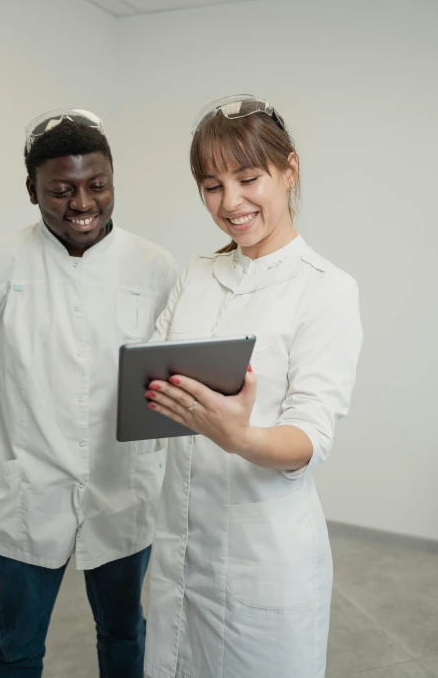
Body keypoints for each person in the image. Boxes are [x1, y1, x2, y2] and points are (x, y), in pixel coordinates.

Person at [0, 109, 178, 678]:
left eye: (97, 185)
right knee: (17, 642)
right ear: (32, 190)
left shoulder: (155, 267)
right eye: (61, 189)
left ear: (113, 181)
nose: (82, 203)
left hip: (122, 485)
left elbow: (168, 374)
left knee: (124, 632)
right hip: (30, 486)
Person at [143, 95, 363, 678]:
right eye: (212, 186)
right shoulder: (197, 274)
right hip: (181, 549)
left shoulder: (326, 289)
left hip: (264, 555)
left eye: (248, 178)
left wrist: (239, 436)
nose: (230, 203)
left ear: (289, 170)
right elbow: (154, 382)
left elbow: (310, 438)